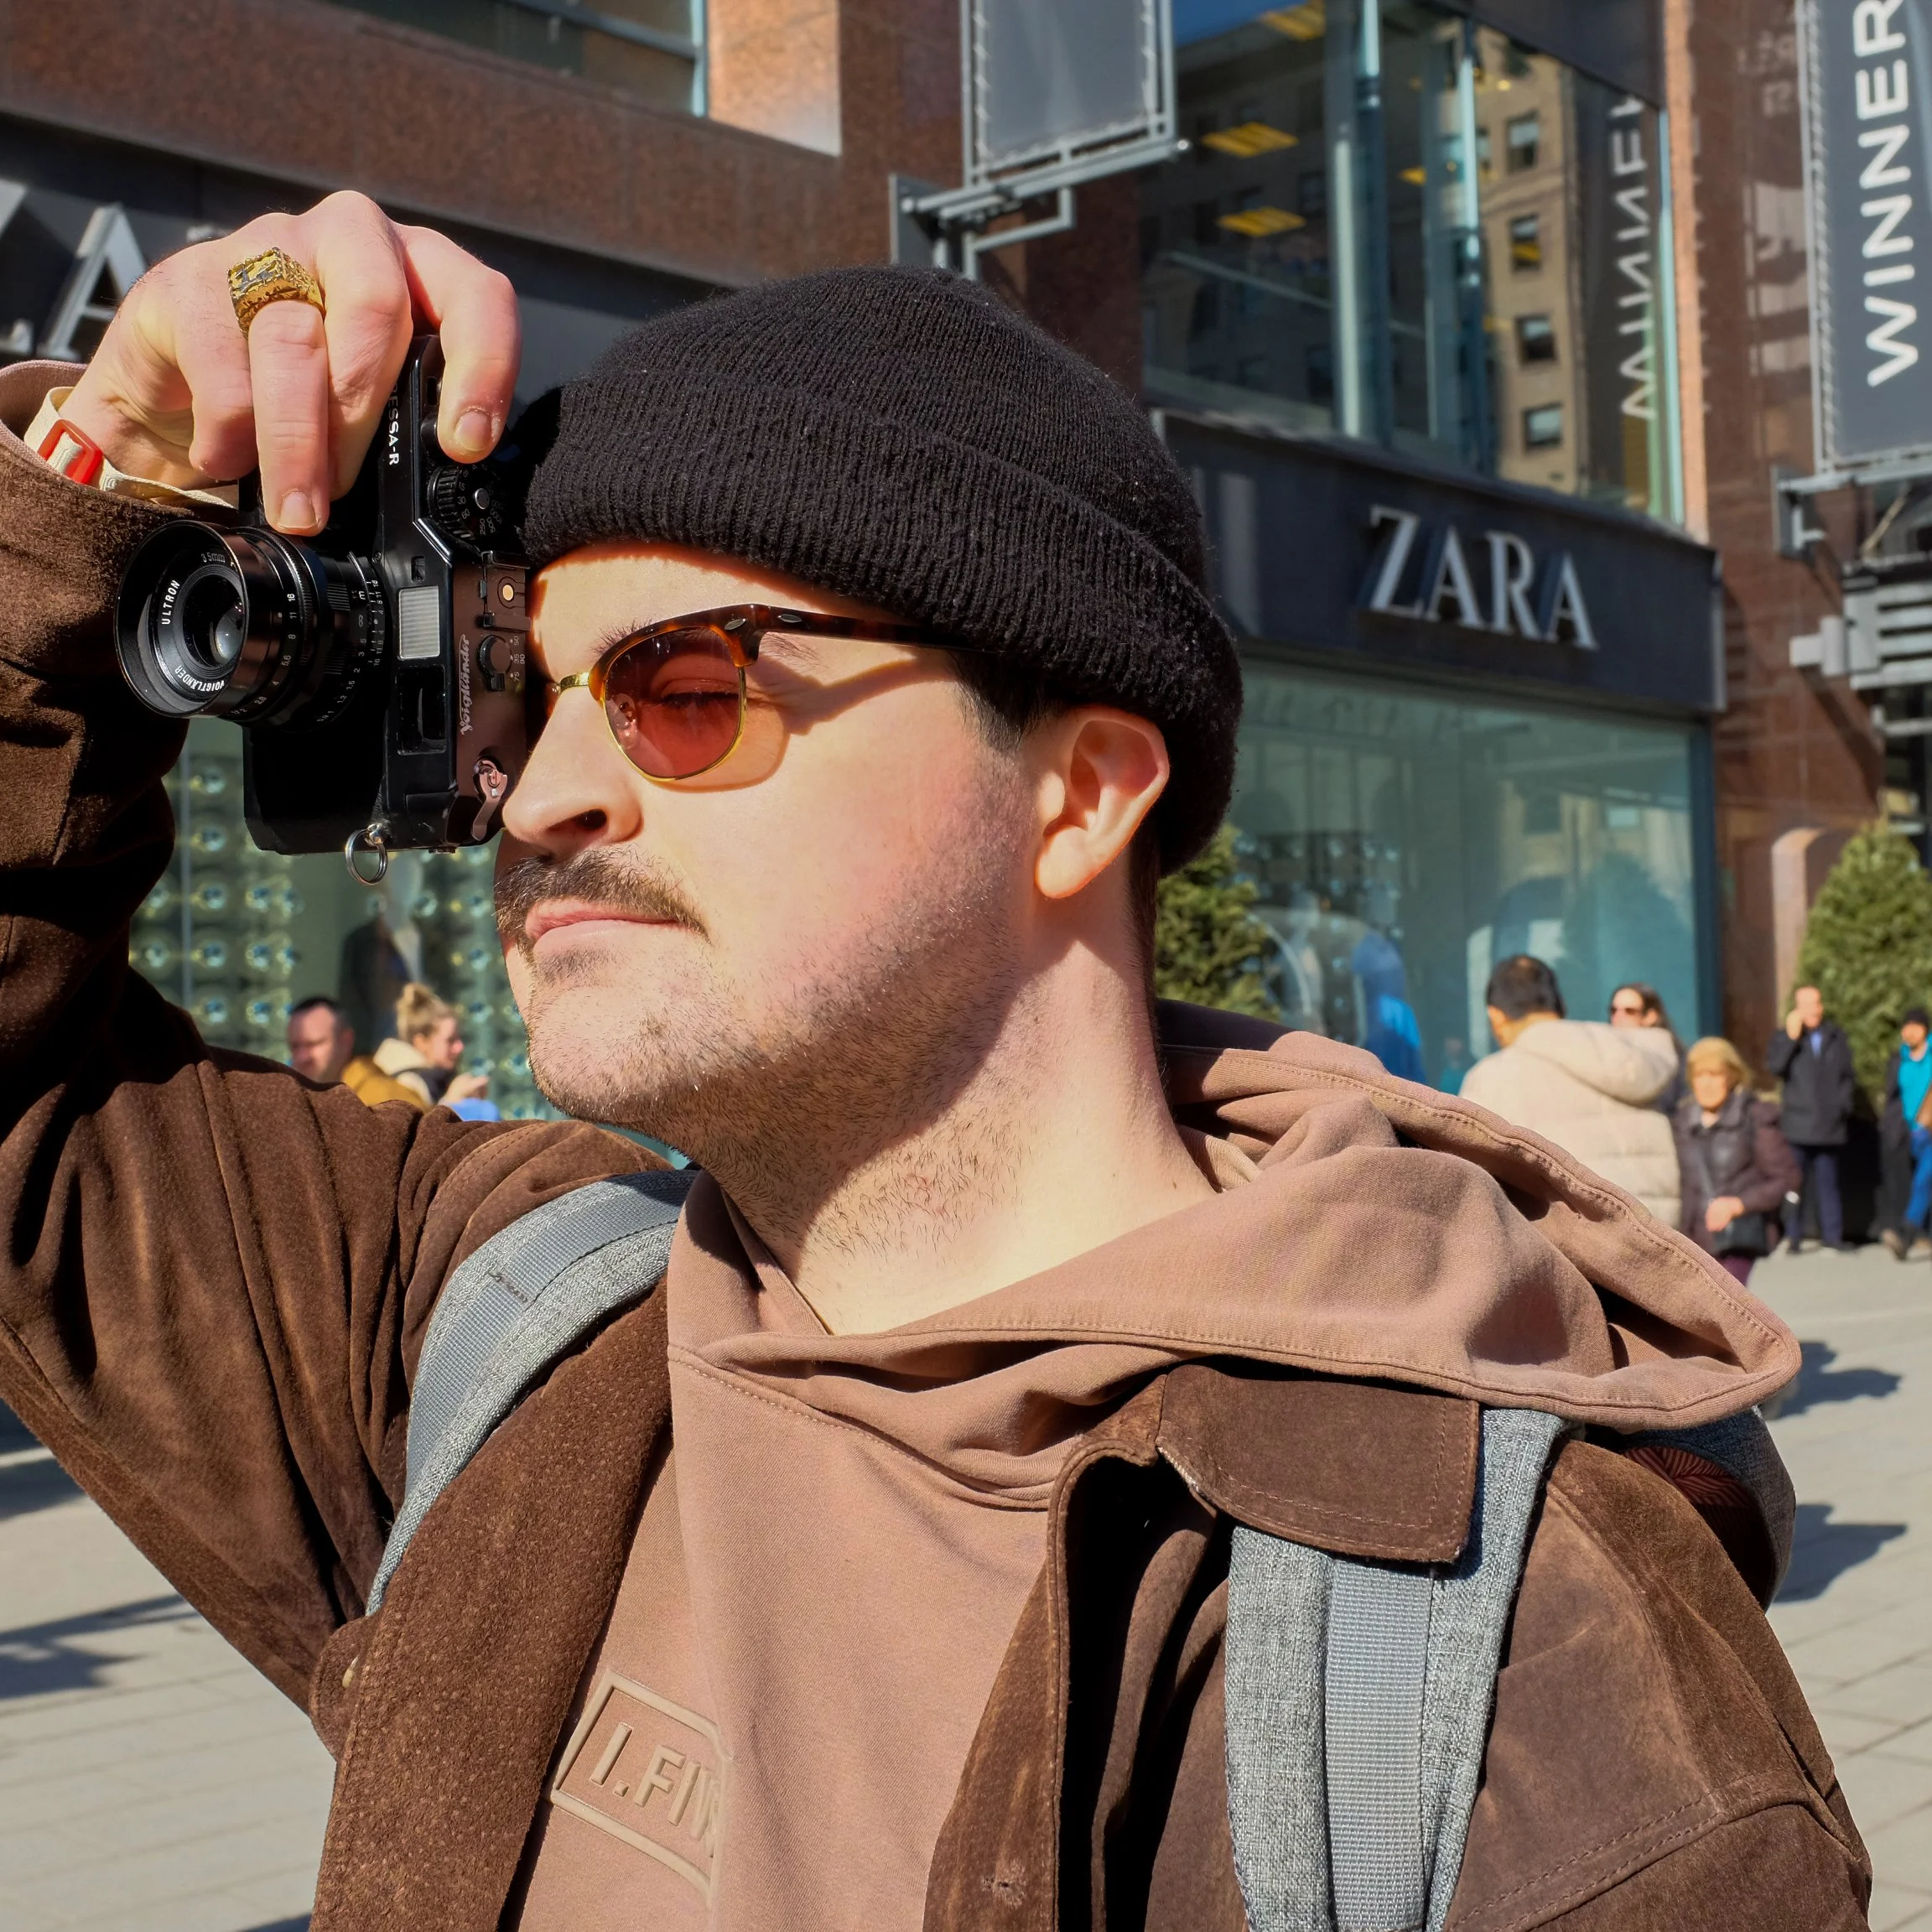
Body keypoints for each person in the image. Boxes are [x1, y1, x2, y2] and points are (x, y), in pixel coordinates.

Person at [0, 195, 1866, 1930]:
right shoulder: (498, 1325)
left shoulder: (1534, 1684)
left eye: (687, 684)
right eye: (530, 694)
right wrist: (109, 468)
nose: (549, 794)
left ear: (1079, 794)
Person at [1462, 955, 1684, 1226]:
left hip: (1567, 1255)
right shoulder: (1629, 1054)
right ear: (1561, 1006)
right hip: (1659, 1243)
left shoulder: (1492, 1078)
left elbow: (1474, 1190)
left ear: (1495, 1016)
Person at [1673, 1038, 1804, 1286]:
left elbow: (1787, 1178)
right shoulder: (1683, 1122)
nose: (1707, 1083)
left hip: (1737, 1242)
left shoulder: (1754, 1117)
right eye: (1700, 1075)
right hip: (1694, 1245)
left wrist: (1737, 1205)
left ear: (1732, 1076)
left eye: (1715, 1074)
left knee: (1725, 1314)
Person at [1764, 984, 1857, 1253]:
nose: (1813, 1010)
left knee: (1829, 1183)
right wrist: (1791, 1038)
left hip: (1829, 1125)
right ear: (1796, 1009)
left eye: (1816, 1004)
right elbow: (1776, 1068)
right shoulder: (1786, 1038)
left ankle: (1833, 1236)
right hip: (1797, 1125)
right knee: (1794, 1184)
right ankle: (1793, 1237)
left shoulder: (1835, 1037)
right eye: (1806, 1005)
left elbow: (1847, 1077)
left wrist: (1842, 1107)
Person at [284, 994, 428, 1110]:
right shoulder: (295, 1099)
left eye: (314, 1044)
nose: (303, 1057)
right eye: (295, 1046)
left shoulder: (385, 1103)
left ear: (346, 1040)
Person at [373, 982, 491, 1110]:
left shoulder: (440, 1079)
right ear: (422, 1042)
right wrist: (451, 1103)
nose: (460, 1047)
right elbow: (414, 1129)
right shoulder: (405, 1085)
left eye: (459, 1038)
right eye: (450, 1040)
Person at [1881, 1006, 1932, 1259]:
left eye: (1916, 1026)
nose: (1910, 1031)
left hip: (1930, 1131)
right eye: (1906, 1026)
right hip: (1908, 1132)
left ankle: (1907, 1234)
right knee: (1917, 1182)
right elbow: (1892, 1096)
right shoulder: (1898, 1059)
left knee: (1925, 1178)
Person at [1608, 979, 1688, 1114]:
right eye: (1614, 1010)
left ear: (1650, 1017)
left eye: (1629, 1011)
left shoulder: (1673, 1059)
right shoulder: (1606, 1056)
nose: (1618, 1016)